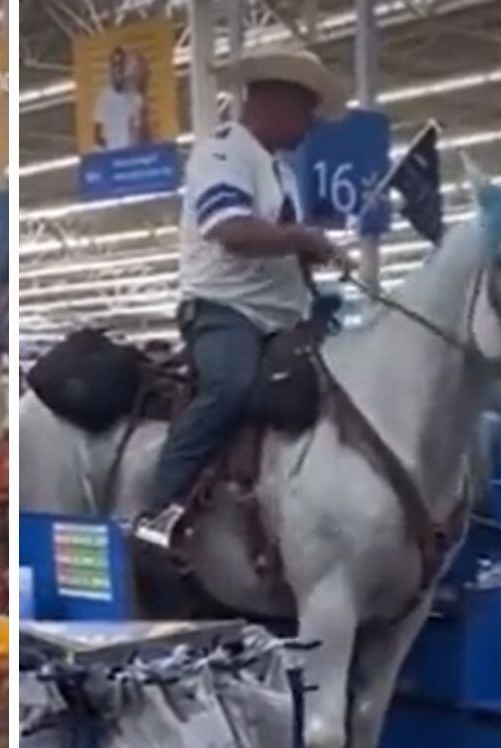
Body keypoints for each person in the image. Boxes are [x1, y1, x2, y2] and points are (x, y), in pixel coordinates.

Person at [133, 49, 350, 549]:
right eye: (305, 112)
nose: (309, 126)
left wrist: (312, 256)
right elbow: (230, 228)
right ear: (274, 103)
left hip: (281, 316)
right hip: (224, 309)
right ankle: (156, 512)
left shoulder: (281, 172)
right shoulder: (224, 153)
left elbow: (278, 239)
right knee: (229, 388)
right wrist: (303, 239)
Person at [93, 46, 148, 150]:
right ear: (110, 69)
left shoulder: (135, 97)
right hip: (111, 157)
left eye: (121, 64)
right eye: (115, 64)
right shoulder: (102, 97)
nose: (118, 69)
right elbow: (97, 135)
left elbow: (141, 133)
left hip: (130, 155)